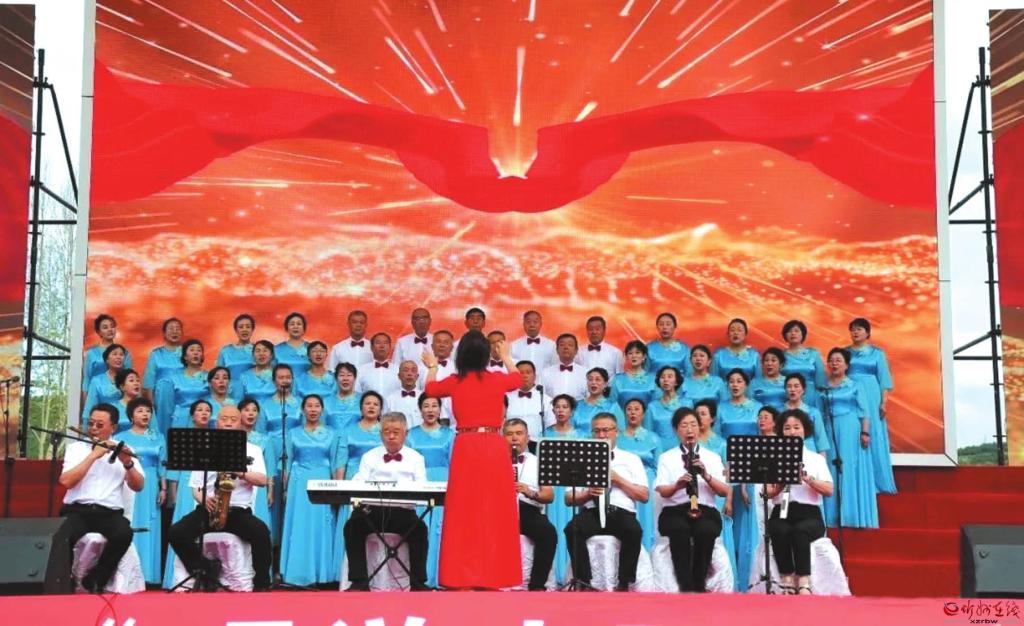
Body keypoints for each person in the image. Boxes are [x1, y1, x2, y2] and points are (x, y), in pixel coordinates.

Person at [422, 329, 522, 589]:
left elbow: (430, 388)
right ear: (487, 354)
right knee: (495, 510)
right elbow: (517, 379)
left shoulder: (456, 381)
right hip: (493, 445)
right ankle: (495, 575)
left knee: (463, 510)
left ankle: (460, 576)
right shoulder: (497, 379)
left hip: (466, 445)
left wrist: (432, 366)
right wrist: (506, 356)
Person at [168, 405, 272, 592]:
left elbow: (262, 480)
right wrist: (204, 499)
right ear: (216, 423)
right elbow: (195, 487)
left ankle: (262, 583)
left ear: (241, 424)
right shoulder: (205, 449)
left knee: (261, 533)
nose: (229, 423)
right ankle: (206, 570)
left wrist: (240, 472)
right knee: (177, 532)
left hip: (238, 511)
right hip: (209, 509)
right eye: (224, 419)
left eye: (233, 420)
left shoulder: (253, 450)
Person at [58, 403, 144, 593]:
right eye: (91, 424)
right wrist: (93, 456)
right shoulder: (76, 448)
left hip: (109, 513)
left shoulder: (125, 449)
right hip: (77, 510)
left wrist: (128, 464)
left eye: (99, 425)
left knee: (124, 533)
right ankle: (64, 582)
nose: (93, 429)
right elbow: (66, 481)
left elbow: (138, 486)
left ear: (113, 428)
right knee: (63, 535)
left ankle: (97, 578)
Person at [343, 412, 430, 591]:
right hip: (373, 510)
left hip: (403, 511)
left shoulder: (416, 458)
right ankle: (359, 581)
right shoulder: (369, 456)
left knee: (420, 530)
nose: (391, 436)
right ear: (380, 434)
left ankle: (418, 583)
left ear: (405, 433)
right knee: (352, 526)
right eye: (386, 432)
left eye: (396, 432)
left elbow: (422, 486)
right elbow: (359, 483)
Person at [563, 412, 648, 592]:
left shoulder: (631, 459)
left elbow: (644, 496)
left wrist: (619, 481)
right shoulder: (581, 459)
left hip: (620, 512)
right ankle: (583, 580)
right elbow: (568, 499)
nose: (601, 435)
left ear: (616, 432)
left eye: (606, 430)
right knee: (572, 528)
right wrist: (587, 494)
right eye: (597, 431)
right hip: (591, 512)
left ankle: (624, 582)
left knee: (633, 530)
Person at [654, 408, 729, 593]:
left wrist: (706, 475)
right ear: (675, 430)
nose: (689, 430)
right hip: (675, 509)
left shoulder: (712, 457)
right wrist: (677, 485)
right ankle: (686, 586)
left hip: (705, 509)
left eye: (693, 425)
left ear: (700, 427)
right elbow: (662, 491)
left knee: (706, 530)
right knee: (679, 530)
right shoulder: (666, 457)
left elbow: (724, 491)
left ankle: (699, 582)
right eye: (684, 425)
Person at [764, 409, 833, 595]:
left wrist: (808, 479)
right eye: (787, 428)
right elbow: (766, 493)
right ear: (781, 431)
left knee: (800, 531)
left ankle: (803, 581)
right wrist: (780, 484)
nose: (792, 432)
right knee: (778, 529)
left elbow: (829, 490)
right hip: (782, 510)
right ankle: (787, 578)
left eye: (796, 427)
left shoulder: (816, 459)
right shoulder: (775, 458)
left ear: (805, 430)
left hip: (809, 513)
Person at [280, 395, 343, 586]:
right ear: (303, 409)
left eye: (317, 406)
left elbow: (336, 462)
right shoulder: (292, 433)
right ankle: (295, 574)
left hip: (323, 480)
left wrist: (337, 489)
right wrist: (285, 488)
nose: (313, 409)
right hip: (298, 483)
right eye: (309, 406)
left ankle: (321, 574)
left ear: (322, 410)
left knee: (321, 525)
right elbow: (286, 462)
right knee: (298, 524)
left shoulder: (332, 433)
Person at [821, 347, 878, 528]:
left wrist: (865, 432)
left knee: (849, 468)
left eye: (839, 360)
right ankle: (832, 517)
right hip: (829, 430)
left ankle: (851, 516)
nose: (835, 363)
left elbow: (864, 412)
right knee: (830, 469)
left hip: (850, 429)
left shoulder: (855, 385)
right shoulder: (823, 387)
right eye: (832, 360)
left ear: (846, 365)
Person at [716, 368, 760, 592]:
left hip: (752, 464)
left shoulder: (757, 408)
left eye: (739, 381)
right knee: (728, 514)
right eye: (731, 381)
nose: (735, 385)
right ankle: (729, 572)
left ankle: (748, 574)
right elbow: (716, 439)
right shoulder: (720, 408)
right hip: (728, 462)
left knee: (747, 520)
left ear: (746, 384)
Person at [162, 399, 213, 588]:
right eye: (199, 410)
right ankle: (179, 578)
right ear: (192, 415)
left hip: (207, 484)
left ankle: (206, 573)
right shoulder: (183, 437)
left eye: (207, 410)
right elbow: (174, 471)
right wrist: (173, 496)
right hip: (186, 484)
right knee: (183, 527)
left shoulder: (216, 438)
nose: (204, 413)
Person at [406, 395, 455, 586]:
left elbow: (454, 462)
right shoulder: (411, 435)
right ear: (420, 410)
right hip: (419, 483)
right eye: (426, 406)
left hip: (444, 483)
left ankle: (441, 576)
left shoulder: (450, 435)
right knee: (420, 527)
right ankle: (418, 577)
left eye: (434, 406)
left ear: (440, 409)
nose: (430, 410)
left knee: (441, 530)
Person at [117, 397, 166, 584]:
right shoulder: (120, 437)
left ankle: (149, 575)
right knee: (130, 521)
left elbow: (162, 463)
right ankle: (127, 574)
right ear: (131, 416)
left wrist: (163, 488)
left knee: (150, 525)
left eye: (148, 411)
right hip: (129, 481)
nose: (145, 414)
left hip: (151, 482)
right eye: (140, 411)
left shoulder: (157, 436)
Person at [846, 318, 897, 495]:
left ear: (867, 333)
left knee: (872, 433)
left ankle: (877, 482)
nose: (855, 332)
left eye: (859, 329)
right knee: (853, 433)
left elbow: (884, 379)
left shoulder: (877, 353)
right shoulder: (844, 353)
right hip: (850, 395)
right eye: (853, 329)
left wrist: (884, 402)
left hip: (871, 395)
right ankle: (857, 481)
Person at [504, 418, 556, 591]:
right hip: (501, 510)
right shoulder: (494, 461)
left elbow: (549, 495)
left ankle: (537, 584)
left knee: (548, 533)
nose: (514, 438)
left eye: (519, 433)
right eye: (509, 434)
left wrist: (529, 492)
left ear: (527, 437)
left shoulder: (539, 462)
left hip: (528, 509)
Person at [542, 394, 582, 583]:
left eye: (565, 407)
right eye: (557, 407)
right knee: (553, 526)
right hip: (552, 485)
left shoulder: (581, 434)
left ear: (572, 411)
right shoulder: (545, 434)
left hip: (573, 485)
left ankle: (570, 573)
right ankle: (553, 573)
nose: (561, 410)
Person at [617, 399, 662, 550]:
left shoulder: (653, 438)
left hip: (647, 482)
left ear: (643, 414)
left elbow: (659, 466)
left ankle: (648, 553)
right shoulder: (617, 438)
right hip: (623, 482)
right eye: (629, 409)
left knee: (648, 521)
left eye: (637, 409)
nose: (633, 412)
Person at [142, 317, 184, 437]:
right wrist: (151, 406)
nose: (174, 331)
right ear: (164, 333)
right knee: (162, 429)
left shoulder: (187, 353)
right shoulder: (156, 354)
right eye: (171, 329)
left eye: (177, 328)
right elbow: (149, 382)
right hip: (162, 399)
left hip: (183, 398)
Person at [239, 398, 274, 535]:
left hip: (258, 485)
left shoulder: (265, 439)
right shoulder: (234, 436)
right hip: (238, 485)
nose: (251, 413)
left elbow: (270, 467)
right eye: (246, 410)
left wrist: (270, 491)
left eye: (254, 410)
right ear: (239, 413)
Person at [81, 314, 133, 405]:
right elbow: (87, 380)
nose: (110, 329)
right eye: (105, 327)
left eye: (112, 326)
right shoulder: (92, 353)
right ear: (99, 332)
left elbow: (129, 378)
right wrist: (86, 405)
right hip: (97, 397)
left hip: (118, 397)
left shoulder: (124, 353)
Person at [504, 360, 554, 446]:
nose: (525, 376)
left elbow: (551, 425)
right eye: (521, 373)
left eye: (528, 372)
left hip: (537, 443)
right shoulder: (506, 397)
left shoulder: (545, 399)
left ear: (535, 376)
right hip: (512, 443)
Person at [780, 320, 826, 410]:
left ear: (803, 334)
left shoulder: (813, 354)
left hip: (811, 394)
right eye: (789, 331)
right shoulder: (781, 356)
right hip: (789, 395)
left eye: (796, 331)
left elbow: (820, 378)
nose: (793, 333)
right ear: (785, 335)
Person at [782, 374, 829, 455]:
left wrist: (822, 460)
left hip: (810, 453)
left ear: (803, 390)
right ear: (785, 390)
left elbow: (821, 440)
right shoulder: (780, 412)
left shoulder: (813, 412)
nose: (792, 389)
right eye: (789, 386)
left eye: (796, 386)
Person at [168, 339, 209, 430]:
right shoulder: (174, 378)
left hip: (202, 419)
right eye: (192, 350)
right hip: (180, 418)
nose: (196, 353)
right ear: (185, 356)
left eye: (199, 350)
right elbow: (169, 404)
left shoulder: (209, 376)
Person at [647, 366, 689, 451]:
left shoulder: (687, 403)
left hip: (682, 448)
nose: (666, 380)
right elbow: (648, 433)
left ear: (676, 382)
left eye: (670, 376)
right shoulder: (652, 406)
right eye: (662, 377)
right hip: (659, 449)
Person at [82, 344, 127, 421]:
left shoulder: (129, 379)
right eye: (115, 354)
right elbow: (89, 408)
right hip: (104, 422)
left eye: (121, 355)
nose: (118, 357)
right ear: (107, 360)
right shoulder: (97, 381)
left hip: (126, 422)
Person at [610, 340, 658, 411]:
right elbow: (613, 404)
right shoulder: (618, 379)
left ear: (644, 356)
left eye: (637, 353)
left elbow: (656, 405)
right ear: (626, 357)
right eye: (630, 353)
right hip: (622, 417)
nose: (634, 356)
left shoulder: (653, 378)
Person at [541, 333, 587, 401]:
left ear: (576, 350)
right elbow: (542, 397)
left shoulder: (585, 373)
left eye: (570, 345)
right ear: (557, 350)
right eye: (562, 345)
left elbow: (589, 398)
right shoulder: (546, 373)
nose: (566, 347)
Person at [232, 339, 276, 406]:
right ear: (253, 355)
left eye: (265, 350)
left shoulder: (279, 375)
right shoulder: (244, 376)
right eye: (258, 351)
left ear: (272, 355)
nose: (261, 354)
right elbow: (238, 401)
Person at [647, 312, 690, 377]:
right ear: (657, 327)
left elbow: (689, 373)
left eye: (668, 324)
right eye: (661, 324)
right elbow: (644, 372)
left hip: (679, 382)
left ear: (675, 327)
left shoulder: (684, 348)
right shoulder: (649, 348)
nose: (664, 327)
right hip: (653, 382)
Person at [357, 333, 400, 398]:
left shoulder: (399, 370)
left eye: (385, 343)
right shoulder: (361, 370)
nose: (382, 346)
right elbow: (357, 394)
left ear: (390, 348)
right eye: (378, 343)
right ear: (371, 347)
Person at [216, 314, 256, 382]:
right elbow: (218, 375)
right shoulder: (225, 351)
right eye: (241, 327)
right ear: (236, 330)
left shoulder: (258, 350)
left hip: (252, 387)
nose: (244, 330)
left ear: (252, 330)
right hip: (231, 388)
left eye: (248, 327)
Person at [384, 360, 424, 427]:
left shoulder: (424, 398)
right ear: (399, 376)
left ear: (417, 376)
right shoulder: (390, 399)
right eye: (405, 370)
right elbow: (385, 423)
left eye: (413, 371)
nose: (409, 374)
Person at [323, 362, 363, 430]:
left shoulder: (363, 400)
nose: (345, 378)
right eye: (341, 375)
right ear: (336, 378)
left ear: (355, 378)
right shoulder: (326, 401)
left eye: (349, 375)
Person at [275, 312, 311, 377]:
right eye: (292, 324)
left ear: (304, 328)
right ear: (286, 328)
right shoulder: (276, 349)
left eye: (299, 324)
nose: (295, 327)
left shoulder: (312, 348)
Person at [114, 368, 144, 433]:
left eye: (138, 380)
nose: (136, 383)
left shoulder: (146, 407)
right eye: (131, 380)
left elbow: (154, 430)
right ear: (122, 387)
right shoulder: (113, 408)